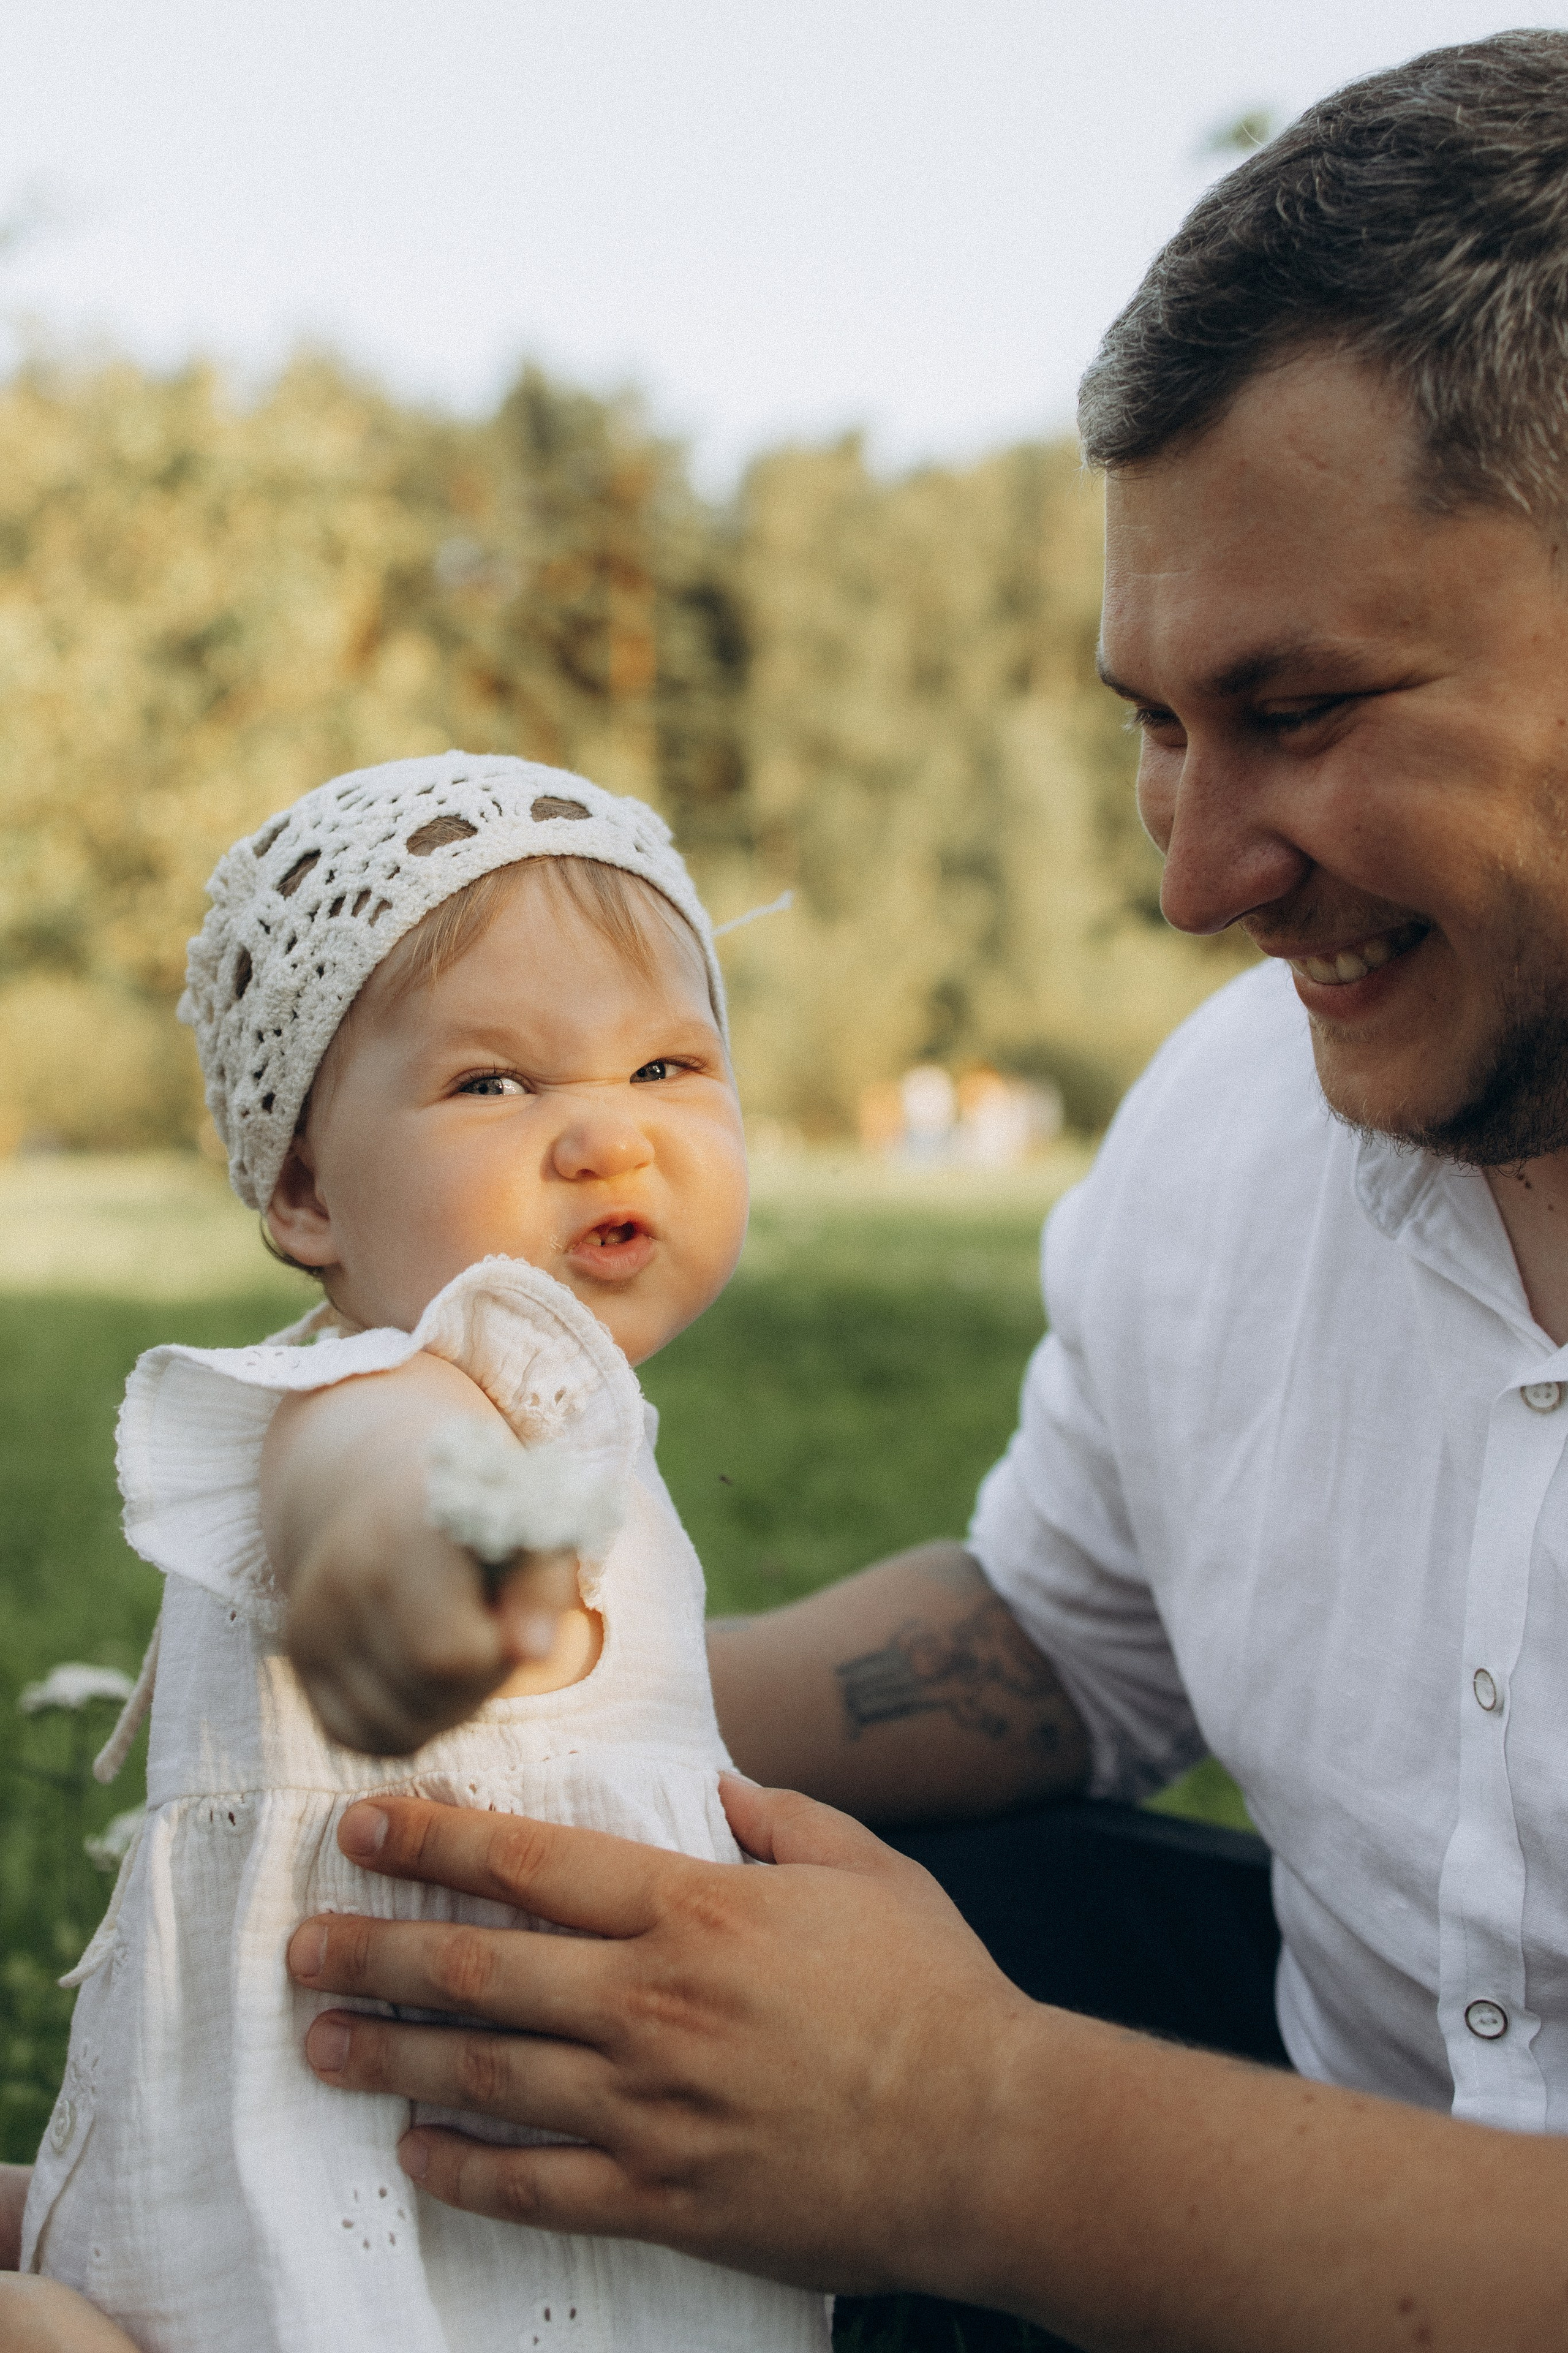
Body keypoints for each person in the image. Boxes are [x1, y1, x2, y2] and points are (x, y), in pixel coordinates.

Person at [260, 30, 1568, 2352]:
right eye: (1155, 724)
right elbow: (1064, 1647)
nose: (1191, 876)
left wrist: (971, 2127)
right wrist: (483, 1720)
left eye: (1300, 709)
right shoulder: (1238, 1118)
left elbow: (985, 2122)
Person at [17, 755, 831, 2352]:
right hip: (390, 2180)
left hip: (466, 2111)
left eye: (669, 1063)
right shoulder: (438, 1371)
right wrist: (412, 1558)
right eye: (494, 1086)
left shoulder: (549, 1392)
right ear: (308, 1186)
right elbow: (359, 1458)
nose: (607, 1136)